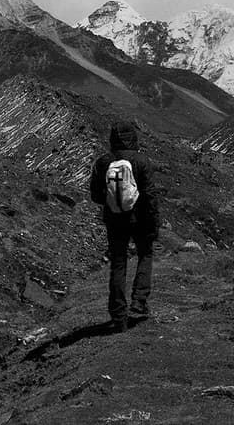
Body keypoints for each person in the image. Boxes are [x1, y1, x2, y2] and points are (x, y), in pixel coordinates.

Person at [90, 121, 160, 333]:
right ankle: (139, 302)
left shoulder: (103, 162)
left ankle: (119, 315)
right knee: (145, 255)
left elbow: (95, 195)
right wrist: (153, 221)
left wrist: (112, 204)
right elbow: (149, 195)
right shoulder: (142, 160)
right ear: (134, 137)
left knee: (118, 264)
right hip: (140, 219)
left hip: (115, 220)